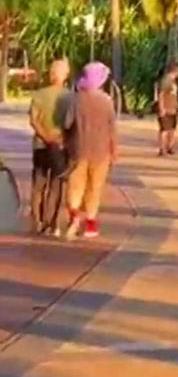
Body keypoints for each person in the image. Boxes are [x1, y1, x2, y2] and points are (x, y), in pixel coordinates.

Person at [65, 61, 117, 241]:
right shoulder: (106, 100)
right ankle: (90, 225)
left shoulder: (76, 99)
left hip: (78, 149)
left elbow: (67, 124)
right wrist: (114, 150)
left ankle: (73, 216)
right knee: (95, 188)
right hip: (101, 151)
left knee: (76, 186)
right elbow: (112, 128)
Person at [28, 57, 74, 236]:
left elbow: (33, 119)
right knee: (56, 185)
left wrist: (45, 136)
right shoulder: (69, 97)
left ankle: (36, 220)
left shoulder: (39, 95)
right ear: (65, 75)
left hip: (40, 144)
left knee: (38, 185)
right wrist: (59, 137)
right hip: (60, 146)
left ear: (50, 74)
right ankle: (51, 222)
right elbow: (71, 123)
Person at [155, 62, 178, 156]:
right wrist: (161, 108)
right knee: (164, 129)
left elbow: (174, 95)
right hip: (166, 108)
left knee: (172, 129)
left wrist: (177, 105)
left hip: (172, 108)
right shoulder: (166, 80)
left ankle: (169, 147)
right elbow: (161, 94)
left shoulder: (173, 81)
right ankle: (162, 148)